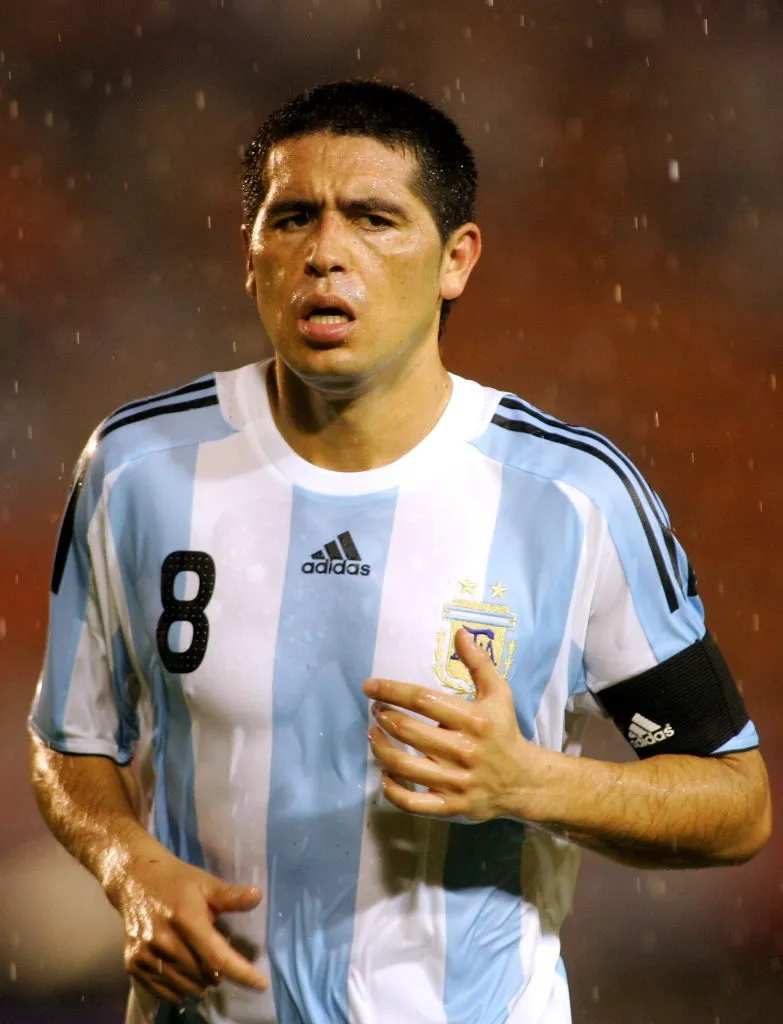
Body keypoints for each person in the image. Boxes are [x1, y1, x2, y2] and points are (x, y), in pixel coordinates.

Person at [29, 79, 771, 1024]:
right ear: (250, 255)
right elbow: (69, 741)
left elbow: (734, 802)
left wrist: (531, 783)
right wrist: (126, 863)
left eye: (373, 218)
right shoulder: (137, 468)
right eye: (292, 217)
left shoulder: (572, 496)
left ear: (456, 259)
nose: (325, 252)